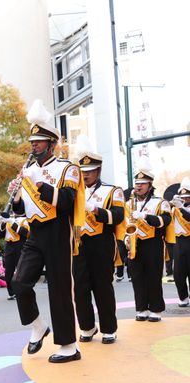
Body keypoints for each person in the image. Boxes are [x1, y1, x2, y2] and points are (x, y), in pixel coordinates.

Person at [8, 99, 85, 363]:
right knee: (18, 282)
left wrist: (39, 183)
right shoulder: (28, 170)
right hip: (35, 232)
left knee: (60, 289)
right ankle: (38, 326)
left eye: (39, 141)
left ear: (52, 143)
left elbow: (66, 201)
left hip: (58, 231)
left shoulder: (68, 169)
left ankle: (68, 346)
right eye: (32, 142)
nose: (34, 146)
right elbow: (21, 211)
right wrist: (17, 196)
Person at [73, 138, 124, 344]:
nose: (86, 174)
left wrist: (96, 209)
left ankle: (109, 329)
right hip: (79, 242)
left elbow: (118, 216)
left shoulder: (112, 191)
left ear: (99, 170)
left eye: (90, 170)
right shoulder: (74, 192)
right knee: (80, 288)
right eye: (83, 170)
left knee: (103, 286)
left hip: (102, 242)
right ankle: (87, 326)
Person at [124, 156, 171, 322]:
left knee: (153, 276)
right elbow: (124, 223)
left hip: (153, 243)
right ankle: (141, 308)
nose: (138, 186)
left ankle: (156, 309)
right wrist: (125, 239)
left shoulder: (160, 203)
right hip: (134, 243)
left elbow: (165, 221)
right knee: (137, 277)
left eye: (142, 184)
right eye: (137, 183)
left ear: (150, 185)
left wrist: (145, 216)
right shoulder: (129, 203)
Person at [0, 213, 29, 300]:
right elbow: (1, 235)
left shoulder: (25, 219)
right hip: (9, 246)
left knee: (21, 270)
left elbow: (25, 233)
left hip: (20, 245)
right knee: (8, 270)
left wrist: (12, 222)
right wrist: (2, 223)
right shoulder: (10, 219)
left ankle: (22, 291)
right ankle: (11, 292)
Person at [170, 177, 190, 307]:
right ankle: (183, 297)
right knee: (178, 272)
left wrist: (181, 208)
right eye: (184, 197)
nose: (185, 199)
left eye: (188, 197)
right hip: (178, 241)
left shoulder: (181, 208)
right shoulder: (175, 208)